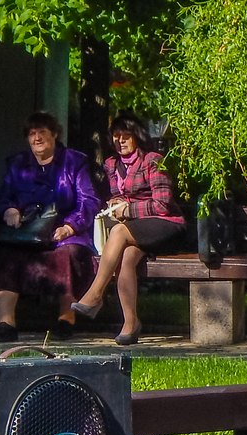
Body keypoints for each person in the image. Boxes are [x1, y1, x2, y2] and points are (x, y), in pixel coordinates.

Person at [70, 114, 185, 345]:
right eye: (116, 136)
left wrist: (128, 210)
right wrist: (116, 203)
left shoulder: (153, 161)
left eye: (126, 136)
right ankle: (130, 323)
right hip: (140, 227)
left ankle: (95, 294)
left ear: (137, 137)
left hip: (168, 224)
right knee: (126, 258)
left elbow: (163, 205)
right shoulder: (113, 164)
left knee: (119, 232)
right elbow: (120, 194)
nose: (120, 141)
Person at [0, 112, 101, 342]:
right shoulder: (17, 165)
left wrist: (70, 226)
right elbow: (4, 197)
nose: (37, 138)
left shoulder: (74, 161)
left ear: (54, 134)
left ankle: (66, 318)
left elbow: (89, 200)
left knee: (69, 254)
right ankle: (5, 322)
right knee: (7, 255)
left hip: (63, 231)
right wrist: (9, 210)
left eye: (42, 132)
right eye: (32, 133)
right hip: (27, 232)